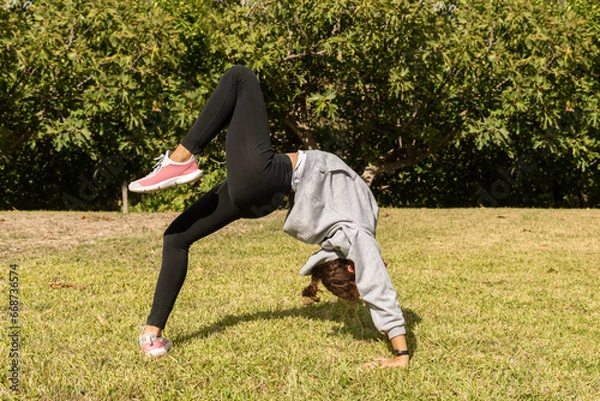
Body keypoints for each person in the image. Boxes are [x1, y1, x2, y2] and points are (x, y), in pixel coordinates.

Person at [129, 65, 410, 368]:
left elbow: (376, 285)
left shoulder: (358, 233)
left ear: (353, 268)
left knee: (240, 77)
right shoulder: (345, 235)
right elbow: (369, 278)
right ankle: (152, 336)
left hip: (266, 177)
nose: (384, 264)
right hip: (260, 196)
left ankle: (178, 160)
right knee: (176, 238)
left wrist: (402, 354)